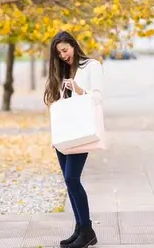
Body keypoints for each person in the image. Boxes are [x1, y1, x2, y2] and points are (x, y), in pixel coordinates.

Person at [44, 31, 103, 248]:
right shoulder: (63, 69)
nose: (63, 55)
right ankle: (80, 228)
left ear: (74, 46)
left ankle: (87, 230)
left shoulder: (91, 66)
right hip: (64, 132)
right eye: (59, 53)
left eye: (65, 50)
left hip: (80, 130)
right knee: (69, 182)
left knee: (72, 179)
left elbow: (98, 97)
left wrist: (79, 90)